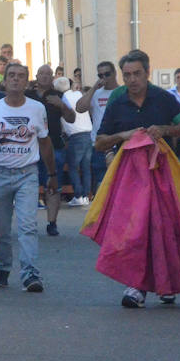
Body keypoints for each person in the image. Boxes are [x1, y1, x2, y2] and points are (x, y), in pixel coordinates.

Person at [93, 49, 180, 308]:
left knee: (164, 228)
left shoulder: (163, 99)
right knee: (135, 229)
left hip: (163, 174)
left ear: (147, 72)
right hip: (130, 178)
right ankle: (136, 286)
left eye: (137, 73)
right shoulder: (117, 103)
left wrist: (165, 129)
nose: (132, 80)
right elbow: (99, 142)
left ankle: (167, 283)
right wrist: (123, 135)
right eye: (127, 75)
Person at [0, 62, 55, 292]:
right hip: (0, 173)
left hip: (27, 173)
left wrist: (52, 174)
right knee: (0, 229)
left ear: (26, 81)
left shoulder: (36, 108)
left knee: (28, 226)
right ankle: (2, 267)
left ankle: (30, 273)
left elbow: (44, 141)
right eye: (11, 75)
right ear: (4, 80)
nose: (15, 80)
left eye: (21, 76)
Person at [28, 64, 76, 236]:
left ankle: (52, 223)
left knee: (53, 185)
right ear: (36, 76)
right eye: (41, 74)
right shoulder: (28, 95)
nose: (44, 77)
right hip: (30, 147)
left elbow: (72, 118)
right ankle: (28, 222)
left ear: (52, 77)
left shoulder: (59, 96)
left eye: (48, 74)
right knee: (29, 185)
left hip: (54, 146)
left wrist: (62, 106)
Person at [76, 60, 120, 197]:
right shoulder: (96, 94)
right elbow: (80, 108)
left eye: (107, 74)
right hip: (100, 145)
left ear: (114, 73)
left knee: (119, 184)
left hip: (119, 143)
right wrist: (94, 87)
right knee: (102, 186)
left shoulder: (122, 92)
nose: (104, 78)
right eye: (100, 75)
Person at [61, 74, 94, 205]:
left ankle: (78, 195)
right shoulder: (78, 94)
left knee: (73, 167)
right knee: (86, 167)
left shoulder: (63, 97)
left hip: (75, 135)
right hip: (88, 132)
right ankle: (86, 196)